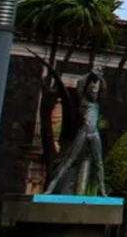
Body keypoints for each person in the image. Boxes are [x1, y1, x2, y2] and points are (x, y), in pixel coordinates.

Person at [44, 68, 108, 196]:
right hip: (84, 131)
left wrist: (100, 78)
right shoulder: (84, 101)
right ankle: (50, 189)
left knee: (98, 162)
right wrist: (90, 74)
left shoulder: (97, 104)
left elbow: (104, 90)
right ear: (88, 92)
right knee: (69, 161)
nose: (95, 94)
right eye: (93, 91)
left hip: (94, 133)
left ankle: (102, 190)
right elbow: (80, 83)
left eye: (96, 92)